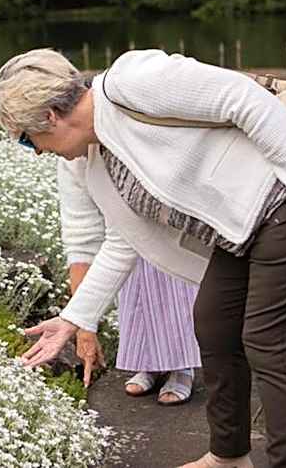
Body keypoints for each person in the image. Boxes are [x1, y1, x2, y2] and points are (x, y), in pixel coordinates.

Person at [0, 47, 286, 468]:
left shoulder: (133, 81)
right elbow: (120, 242)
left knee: (272, 346)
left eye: (27, 140)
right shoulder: (94, 161)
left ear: (49, 118)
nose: (36, 152)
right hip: (244, 227)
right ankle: (229, 458)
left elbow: (244, 98)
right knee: (214, 323)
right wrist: (76, 317)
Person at [58, 155, 201, 404]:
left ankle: (182, 367)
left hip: (166, 214)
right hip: (124, 233)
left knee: (174, 291)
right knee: (138, 294)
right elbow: (81, 238)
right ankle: (149, 363)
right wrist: (83, 326)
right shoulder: (72, 159)